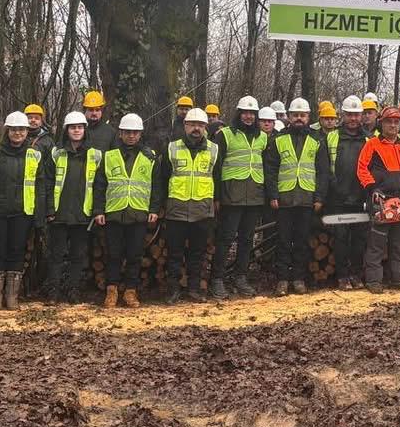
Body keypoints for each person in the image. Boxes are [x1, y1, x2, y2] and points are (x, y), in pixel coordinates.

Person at [264, 98, 331, 295]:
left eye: (302, 115)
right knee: (283, 241)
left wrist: (319, 197)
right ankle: (283, 279)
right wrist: (273, 195)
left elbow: (323, 172)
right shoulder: (278, 139)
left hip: (306, 199)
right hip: (284, 199)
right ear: (289, 117)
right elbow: (271, 170)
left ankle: (299, 279)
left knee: (302, 241)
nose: (299, 118)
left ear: (308, 117)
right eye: (295, 115)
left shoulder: (318, 140)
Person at [156, 107, 222, 304]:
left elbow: (217, 178)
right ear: (185, 126)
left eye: (200, 125)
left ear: (205, 128)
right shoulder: (172, 148)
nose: (196, 128)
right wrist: (161, 204)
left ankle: (193, 289)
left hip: (202, 210)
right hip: (177, 208)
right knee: (174, 253)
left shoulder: (214, 149)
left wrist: (217, 202)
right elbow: (163, 178)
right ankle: (173, 290)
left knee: (198, 253)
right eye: (192, 124)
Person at [93, 113, 159, 307]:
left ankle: (131, 291)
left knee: (135, 255)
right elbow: (99, 185)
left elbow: (156, 186)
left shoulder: (150, 157)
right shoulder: (109, 156)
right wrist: (99, 211)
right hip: (114, 213)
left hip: (139, 213)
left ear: (140, 134)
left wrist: (154, 208)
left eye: (135, 132)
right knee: (113, 254)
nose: (131, 136)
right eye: (128, 132)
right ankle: (111, 290)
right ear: (120, 133)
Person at [0, 111, 49, 309]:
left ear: (27, 132)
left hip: (23, 212)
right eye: (14, 129)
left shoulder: (34, 155)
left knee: (16, 251)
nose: (18, 133)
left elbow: (40, 188)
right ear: (7, 131)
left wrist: (39, 216)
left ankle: (12, 297)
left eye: (21, 129)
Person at [357, 106, 400, 292]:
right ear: (381, 123)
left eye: (396, 122)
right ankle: (374, 280)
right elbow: (361, 168)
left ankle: (399, 277)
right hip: (381, 198)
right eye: (389, 121)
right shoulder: (372, 144)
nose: (393, 125)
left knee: (399, 242)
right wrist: (372, 188)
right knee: (377, 242)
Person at [45, 111, 100, 303]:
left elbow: (99, 185)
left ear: (85, 130)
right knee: (56, 255)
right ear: (66, 130)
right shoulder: (56, 153)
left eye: (79, 127)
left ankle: (73, 290)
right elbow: (48, 183)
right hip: (59, 213)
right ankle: (53, 291)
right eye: (72, 127)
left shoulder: (96, 155)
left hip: (83, 213)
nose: (76, 131)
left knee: (78, 255)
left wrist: (96, 210)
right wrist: (50, 209)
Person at [217, 95, 268, 298]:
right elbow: (217, 167)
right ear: (239, 114)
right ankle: (217, 279)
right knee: (226, 238)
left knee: (247, 240)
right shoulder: (225, 135)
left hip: (254, 195)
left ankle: (241, 278)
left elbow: (266, 166)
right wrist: (218, 197)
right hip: (232, 195)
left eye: (252, 114)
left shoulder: (263, 137)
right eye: (245, 113)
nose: (248, 117)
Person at [327, 96, 372, 289]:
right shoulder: (332, 137)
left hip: (361, 197)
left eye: (356, 115)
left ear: (361, 116)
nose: (353, 118)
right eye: (350, 115)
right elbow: (325, 166)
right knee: (341, 238)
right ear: (343, 115)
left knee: (360, 239)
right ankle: (342, 276)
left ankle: (355, 274)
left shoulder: (369, 138)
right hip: (339, 198)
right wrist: (333, 189)